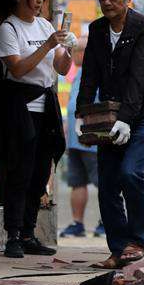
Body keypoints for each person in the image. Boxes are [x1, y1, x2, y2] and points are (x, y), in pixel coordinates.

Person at [78, 0, 144, 269]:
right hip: (109, 116)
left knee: (130, 173)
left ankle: (137, 240)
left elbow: (140, 78)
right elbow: (89, 75)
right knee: (107, 183)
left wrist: (127, 119)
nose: (107, 2)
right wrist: (84, 114)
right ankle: (117, 249)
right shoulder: (98, 30)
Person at [0, 0, 71, 258]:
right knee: (19, 172)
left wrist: (67, 50)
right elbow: (18, 69)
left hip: (46, 106)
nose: (38, 1)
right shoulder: (9, 29)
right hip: (20, 107)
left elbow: (60, 69)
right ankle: (12, 235)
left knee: (40, 173)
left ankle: (29, 233)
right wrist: (48, 46)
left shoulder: (45, 25)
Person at [59, 38, 104, 238]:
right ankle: (77, 224)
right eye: (75, 50)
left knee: (104, 182)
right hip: (75, 140)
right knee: (77, 182)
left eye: (80, 50)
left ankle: (106, 222)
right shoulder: (77, 74)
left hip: (92, 139)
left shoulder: (98, 73)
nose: (76, 54)